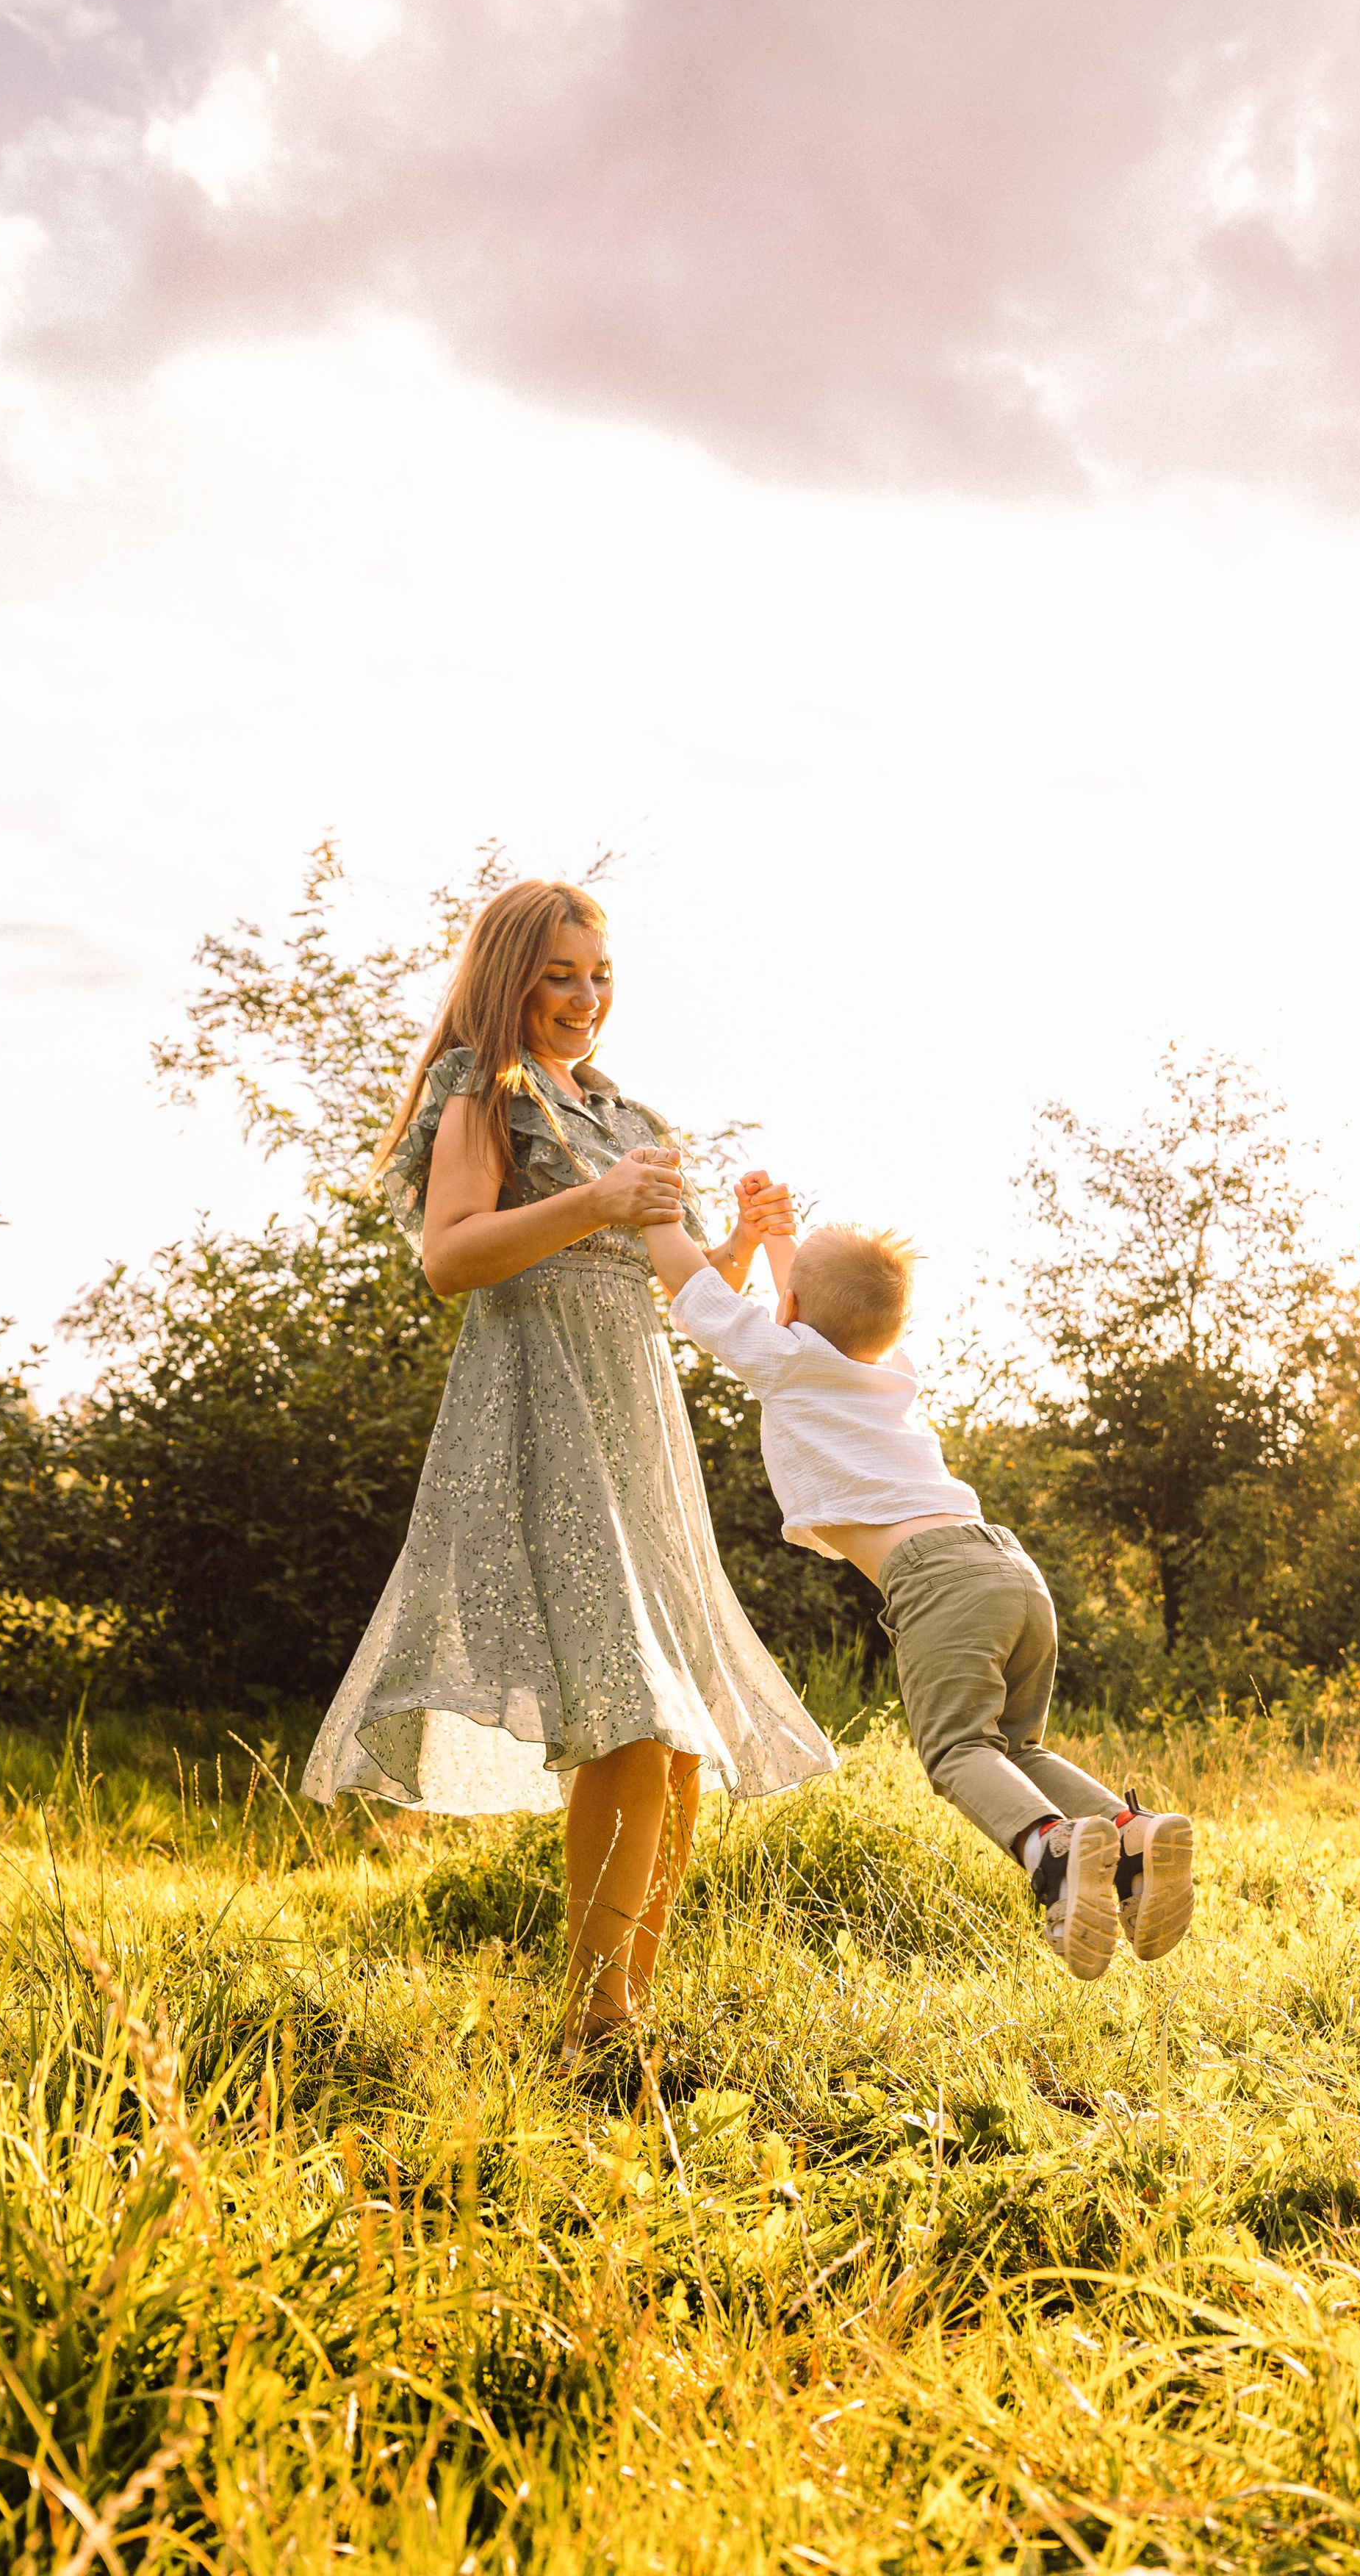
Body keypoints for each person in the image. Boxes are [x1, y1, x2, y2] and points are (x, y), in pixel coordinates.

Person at [301, 879, 835, 2054]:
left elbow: (690, 1291)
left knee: (677, 1730)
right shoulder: (483, 1097)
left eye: (599, 976)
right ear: (508, 979)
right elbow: (450, 1258)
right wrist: (596, 1199)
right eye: (558, 974)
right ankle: (594, 2019)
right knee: (628, 1715)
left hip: (637, 1412)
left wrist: (745, 1239)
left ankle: (628, 2013)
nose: (585, 998)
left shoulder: (629, 1116)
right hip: (537, 1406)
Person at [643, 1206, 1195, 1978]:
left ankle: (1053, 1852)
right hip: (1007, 1565)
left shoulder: (786, 1357)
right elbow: (821, 1308)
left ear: (789, 1307)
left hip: (937, 1580)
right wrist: (777, 1234)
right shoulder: (886, 1366)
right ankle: (1127, 1832)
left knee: (957, 1751)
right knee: (1015, 1745)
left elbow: (696, 1286)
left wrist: (648, 1211)